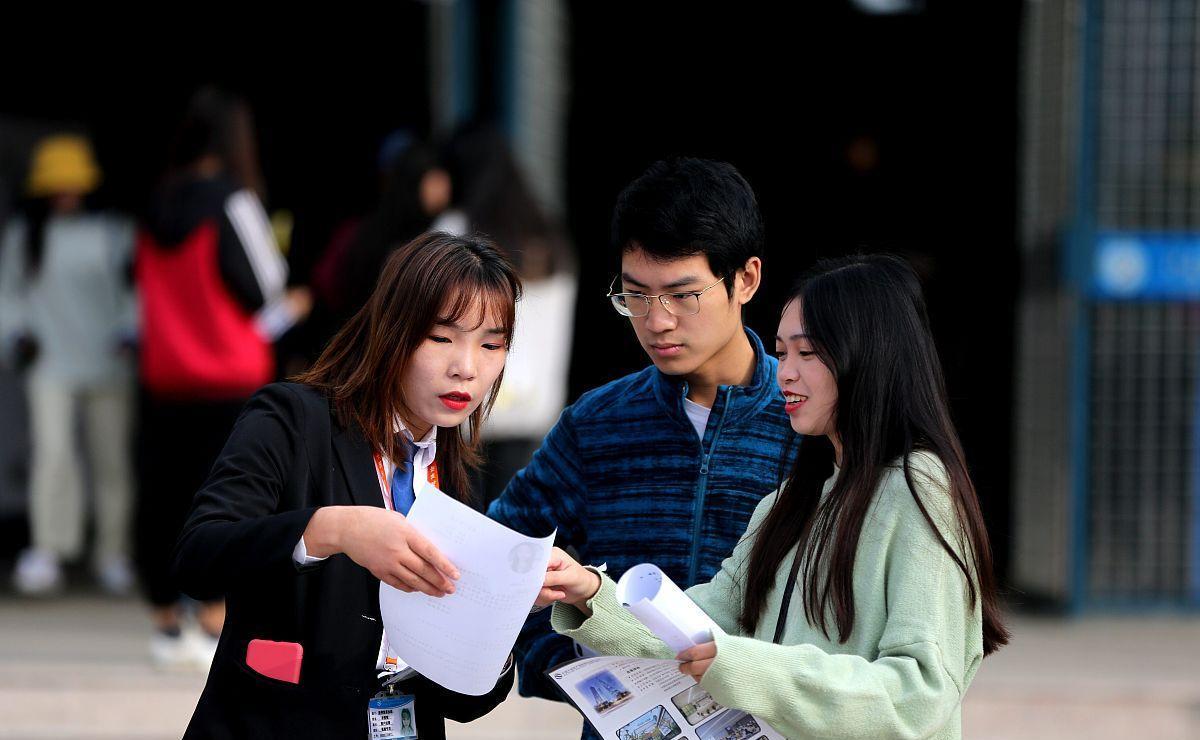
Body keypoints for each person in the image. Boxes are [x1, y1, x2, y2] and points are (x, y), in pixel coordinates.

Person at [540, 254, 1010, 740]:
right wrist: (592, 593)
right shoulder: (787, 502)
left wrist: (752, 668)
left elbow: (920, 694)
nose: (785, 373)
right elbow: (704, 628)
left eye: (807, 354)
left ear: (868, 356)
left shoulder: (918, 488)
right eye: (782, 353)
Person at [487, 158, 798, 732]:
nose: (657, 321)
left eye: (683, 295)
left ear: (746, 280)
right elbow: (500, 557)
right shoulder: (598, 424)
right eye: (636, 295)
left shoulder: (809, 423)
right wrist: (584, 674)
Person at [173, 231, 520, 739]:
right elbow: (197, 558)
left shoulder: (456, 468)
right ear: (392, 330)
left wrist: (497, 626)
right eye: (442, 338)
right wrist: (329, 530)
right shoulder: (293, 418)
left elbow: (462, 704)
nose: (466, 368)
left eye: (491, 345)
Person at [134, 87, 306, 669]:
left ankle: (164, 620)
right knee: (229, 498)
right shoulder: (234, 201)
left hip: (164, 376)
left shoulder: (156, 203)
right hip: (230, 379)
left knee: (162, 495)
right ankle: (212, 621)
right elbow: (266, 296)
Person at [0, 133, 137, 595]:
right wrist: (18, 335)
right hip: (50, 361)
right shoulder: (25, 235)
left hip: (108, 362)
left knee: (110, 459)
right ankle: (49, 549)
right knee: (52, 456)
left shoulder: (115, 231)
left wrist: (129, 331)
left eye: (72, 184)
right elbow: (9, 295)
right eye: (56, 185)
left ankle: (112, 552)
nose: (65, 193)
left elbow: (133, 295)